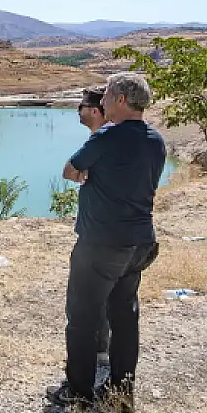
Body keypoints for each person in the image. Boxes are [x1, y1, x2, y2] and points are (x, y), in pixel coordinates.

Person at [49, 72, 166, 407]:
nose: (101, 102)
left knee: (83, 318)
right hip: (139, 243)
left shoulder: (108, 136)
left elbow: (70, 169)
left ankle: (78, 390)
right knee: (124, 317)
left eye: (107, 95)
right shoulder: (155, 140)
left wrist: (83, 172)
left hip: (102, 243)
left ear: (120, 100)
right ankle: (120, 387)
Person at [76, 86, 113, 365]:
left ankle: (94, 354)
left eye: (82, 107)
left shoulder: (105, 140)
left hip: (101, 235)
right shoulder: (103, 140)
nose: (78, 111)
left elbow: (70, 170)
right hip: (106, 231)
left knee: (87, 296)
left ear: (94, 111)